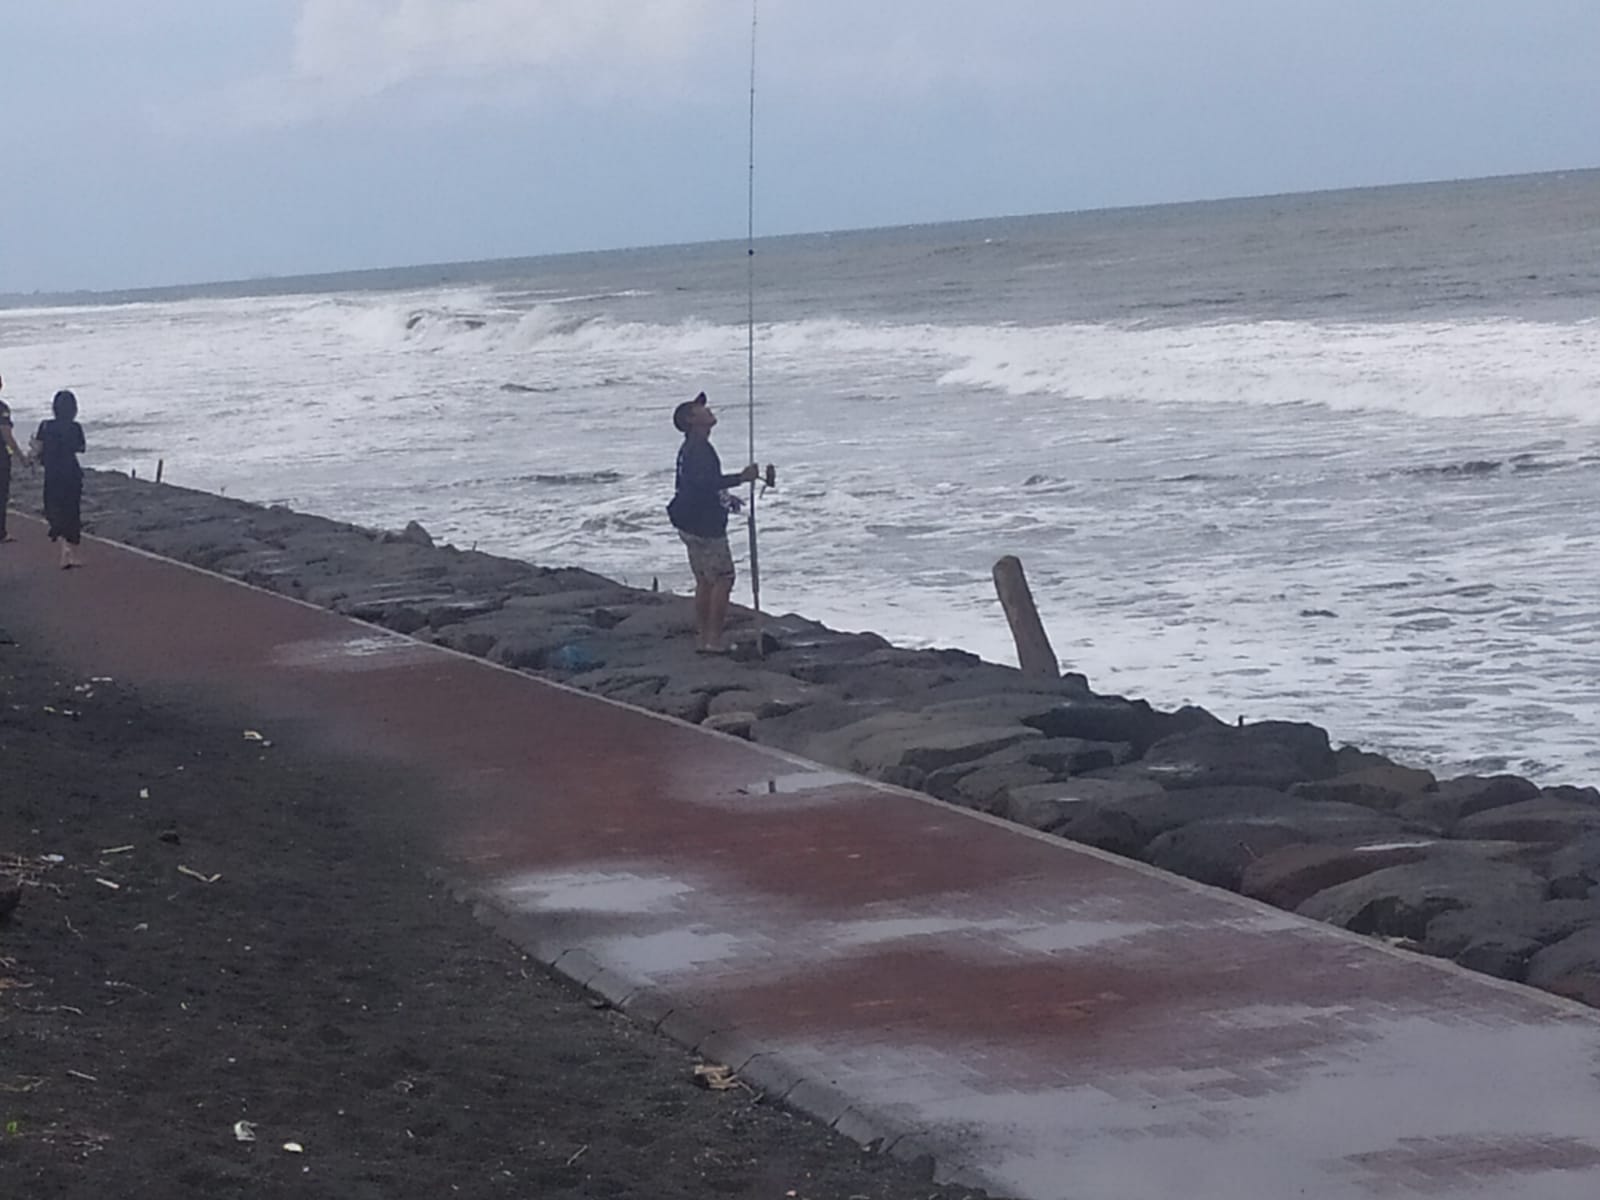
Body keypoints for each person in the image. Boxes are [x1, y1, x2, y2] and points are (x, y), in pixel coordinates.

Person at [666, 392, 759, 653]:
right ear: (690, 421)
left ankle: (703, 638)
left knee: (705, 580)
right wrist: (741, 478)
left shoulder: (691, 448)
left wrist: (726, 498)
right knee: (723, 578)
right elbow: (705, 483)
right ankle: (713, 640)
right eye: (700, 410)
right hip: (703, 524)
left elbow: (694, 486)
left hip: (688, 520)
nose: (707, 411)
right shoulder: (699, 449)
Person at [31, 389, 86, 569]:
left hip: (53, 473)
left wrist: (32, 450)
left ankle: (63, 545)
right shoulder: (75, 427)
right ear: (73, 409)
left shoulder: (45, 426)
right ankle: (73, 552)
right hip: (72, 472)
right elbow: (81, 448)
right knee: (72, 510)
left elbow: (38, 449)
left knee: (53, 508)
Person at [0, 374, 32, 544]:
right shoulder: (2, 408)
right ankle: (1, 532)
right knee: (1, 493)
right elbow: (6, 434)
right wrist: (21, 457)